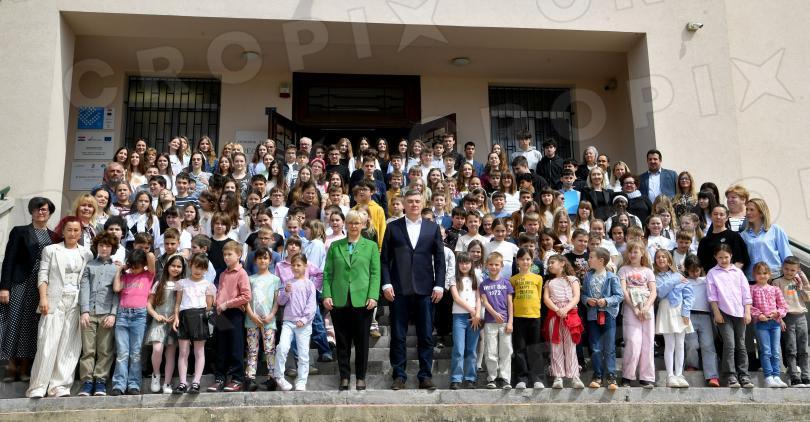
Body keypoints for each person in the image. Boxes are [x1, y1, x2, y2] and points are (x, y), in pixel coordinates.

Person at [381, 189, 446, 391]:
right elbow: (384, 259)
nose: (414, 204)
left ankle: (425, 376)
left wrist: (439, 284)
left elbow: (440, 259)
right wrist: (386, 283)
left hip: (425, 289)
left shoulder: (432, 228)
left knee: (426, 335)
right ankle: (399, 376)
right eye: (410, 201)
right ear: (404, 203)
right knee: (398, 336)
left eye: (417, 201)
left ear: (423, 202)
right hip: (399, 289)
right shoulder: (393, 227)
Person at [26, 217, 92, 398]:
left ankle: (59, 386)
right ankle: (38, 387)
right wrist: (43, 298)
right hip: (54, 300)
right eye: (69, 230)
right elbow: (43, 275)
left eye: (76, 230)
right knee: (47, 343)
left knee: (69, 346)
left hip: (76, 301)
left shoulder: (86, 253)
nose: (72, 233)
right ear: (62, 231)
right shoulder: (51, 250)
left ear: (81, 233)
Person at [322, 210, 381, 391]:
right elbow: (327, 273)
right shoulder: (335, 246)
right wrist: (327, 295)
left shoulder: (371, 246)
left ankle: (361, 377)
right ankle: (344, 377)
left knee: (362, 341)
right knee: (342, 341)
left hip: (362, 300)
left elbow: (375, 273)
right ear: (345, 225)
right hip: (339, 300)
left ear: (363, 225)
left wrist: (373, 296)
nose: (354, 226)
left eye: (357, 223)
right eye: (350, 223)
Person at [1, 197, 55, 383]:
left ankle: (24, 367)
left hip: (40, 287)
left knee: (31, 326)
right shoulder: (20, 231)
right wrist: (4, 287)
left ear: (49, 213)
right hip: (20, 283)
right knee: (13, 322)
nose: (41, 212)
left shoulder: (54, 236)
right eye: (37, 209)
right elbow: (9, 260)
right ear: (31, 212)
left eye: (44, 209)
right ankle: (10, 367)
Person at [77, 233, 120, 397]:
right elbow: (84, 288)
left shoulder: (116, 268)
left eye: (108, 246)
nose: (104, 248)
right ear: (96, 247)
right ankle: (87, 382)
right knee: (88, 350)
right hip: (90, 313)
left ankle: (100, 380)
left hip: (106, 314)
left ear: (112, 249)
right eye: (101, 245)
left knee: (105, 349)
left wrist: (113, 314)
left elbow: (117, 293)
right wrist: (84, 311)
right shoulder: (89, 266)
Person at [110, 247, 156, 396]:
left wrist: (139, 256)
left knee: (136, 353)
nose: (134, 270)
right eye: (133, 267)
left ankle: (134, 384)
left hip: (139, 316)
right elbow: (116, 288)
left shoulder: (148, 275)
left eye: (137, 267)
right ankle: (119, 384)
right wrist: (121, 270)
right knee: (122, 353)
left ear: (143, 265)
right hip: (123, 314)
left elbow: (151, 256)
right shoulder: (126, 276)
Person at [707, 244, 753, 388]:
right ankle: (730, 375)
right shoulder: (712, 273)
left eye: (726, 257)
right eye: (720, 257)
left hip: (739, 312)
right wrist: (716, 313)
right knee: (729, 344)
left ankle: (744, 375)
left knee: (741, 344)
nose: (723, 260)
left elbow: (746, 294)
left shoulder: (738, 272)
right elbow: (712, 296)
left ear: (731, 256)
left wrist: (747, 312)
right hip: (723, 313)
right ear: (715, 257)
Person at [209, 240, 251, 392]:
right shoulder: (222, 274)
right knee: (221, 347)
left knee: (235, 346)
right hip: (221, 313)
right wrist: (217, 304)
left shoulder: (242, 273)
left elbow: (246, 296)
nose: (226, 257)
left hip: (234, 313)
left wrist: (227, 304)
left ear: (239, 255)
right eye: (224, 254)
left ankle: (237, 378)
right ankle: (220, 378)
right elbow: (220, 292)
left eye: (229, 254)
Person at [171, 253, 216, 394]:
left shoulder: (208, 285)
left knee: (199, 351)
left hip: (200, 317)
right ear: (190, 265)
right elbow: (177, 303)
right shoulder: (182, 283)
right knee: (183, 352)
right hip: (184, 317)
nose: (198, 270)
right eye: (196, 267)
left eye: (202, 268)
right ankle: (183, 382)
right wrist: (176, 317)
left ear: (206, 269)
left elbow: (209, 306)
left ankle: (196, 382)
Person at [581, 247, 622, 390]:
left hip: (608, 315)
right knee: (595, 347)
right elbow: (583, 294)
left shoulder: (612, 277)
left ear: (601, 260)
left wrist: (606, 301)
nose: (588, 260)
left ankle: (611, 376)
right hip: (593, 316)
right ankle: (597, 375)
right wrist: (587, 300)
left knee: (609, 347)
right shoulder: (588, 276)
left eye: (591, 257)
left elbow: (619, 296)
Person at [274, 254, 317, 391]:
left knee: (303, 353)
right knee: (282, 347)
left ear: (305, 266)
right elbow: (281, 301)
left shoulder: (309, 284)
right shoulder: (288, 283)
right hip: (288, 322)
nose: (296, 267)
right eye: (293, 265)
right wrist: (286, 292)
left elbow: (312, 306)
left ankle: (302, 380)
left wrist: (304, 319)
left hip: (304, 324)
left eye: (299, 265)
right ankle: (279, 376)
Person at [618, 241, 657, 388]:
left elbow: (653, 291)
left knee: (648, 342)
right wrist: (634, 308)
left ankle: (646, 377)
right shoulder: (623, 270)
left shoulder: (648, 271)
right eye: (630, 252)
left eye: (636, 252)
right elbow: (623, 291)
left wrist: (646, 307)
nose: (633, 254)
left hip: (647, 307)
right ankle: (627, 375)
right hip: (631, 307)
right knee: (633, 342)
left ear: (642, 253)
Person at [653, 249, 693, 388]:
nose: (661, 259)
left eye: (664, 257)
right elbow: (661, 291)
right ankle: (670, 375)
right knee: (669, 344)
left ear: (669, 259)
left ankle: (679, 374)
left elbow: (689, 294)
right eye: (658, 257)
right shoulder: (655, 276)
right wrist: (675, 280)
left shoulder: (678, 274)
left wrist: (686, 312)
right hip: (666, 309)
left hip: (680, 310)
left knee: (680, 344)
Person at [544, 254, 584, 389]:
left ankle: (575, 377)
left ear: (562, 263)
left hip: (570, 315)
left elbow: (576, 296)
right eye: (548, 263)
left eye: (552, 262)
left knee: (570, 346)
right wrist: (557, 310)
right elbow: (546, 299)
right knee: (556, 346)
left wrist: (566, 309)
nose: (549, 265)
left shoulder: (573, 279)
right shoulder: (549, 282)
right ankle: (558, 376)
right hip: (554, 316)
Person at [145, 254, 183, 394]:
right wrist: (156, 315)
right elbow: (149, 304)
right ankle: (156, 374)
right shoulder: (159, 283)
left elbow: (183, 304)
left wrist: (177, 316)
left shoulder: (182, 285)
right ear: (167, 266)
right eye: (173, 265)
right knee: (157, 349)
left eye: (179, 266)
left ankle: (167, 382)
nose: (175, 269)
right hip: (159, 321)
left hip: (174, 322)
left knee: (170, 353)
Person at [244, 247, 281, 392]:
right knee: (252, 349)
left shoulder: (275, 280)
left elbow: (277, 301)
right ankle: (250, 378)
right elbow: (246, 300)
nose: (262, 261)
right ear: (255, 260)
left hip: (269, 320)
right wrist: (252, 315)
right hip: (252, 320)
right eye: (259, 258)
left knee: (270, 349)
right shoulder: (250, 279)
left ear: (270, 260)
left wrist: (271, 315)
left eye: (265, 258)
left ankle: (272, 378)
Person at [682, 255, 720, 387]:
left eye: (697, 270)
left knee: (708, 345)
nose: (695, 273)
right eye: (691, 271)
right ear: (687, 270)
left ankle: (712, 375)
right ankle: (692, 365)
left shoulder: (706, 280)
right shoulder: (684, 282)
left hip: (705, 315)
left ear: (701, 269)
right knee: (691, 344)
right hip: (689, 315)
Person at [772, 256, 810, 387]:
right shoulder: (777, 282)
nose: (789, 272)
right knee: (791, 348)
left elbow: (807, 298)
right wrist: (780, 319)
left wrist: (801, 287)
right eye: (786, 269)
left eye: (793, 270)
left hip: (801, 317)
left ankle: (806, 376)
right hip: (787, 316)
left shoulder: (799, 282)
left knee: (803, 349)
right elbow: (775, 303)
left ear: (798, 270)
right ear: (782, 268)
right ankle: (794, 377)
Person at [509, 248, 544, 390]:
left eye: (528, 259)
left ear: (532, 261)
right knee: (520, 349)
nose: (525, 262)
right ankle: (521, 378)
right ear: (517, 261)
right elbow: (511, 299)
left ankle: (537, 378)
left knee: (534, 349)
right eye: (522, 259)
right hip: (518, 317)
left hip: (534, 316)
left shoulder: (538, 278)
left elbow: (539, 296)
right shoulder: (513, 279)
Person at [749, 262, 788, 388]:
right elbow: (749, 306)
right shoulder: (752, 289)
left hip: (775, 323)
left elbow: (783, 306)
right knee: (766, 350)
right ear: (754, 275)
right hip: (761, 324)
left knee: (775, 350)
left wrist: (778, 313)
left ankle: (777, 376)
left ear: (769, 274)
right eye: (759, 273)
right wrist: (758, 314)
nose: (762, 276)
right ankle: (768, 376)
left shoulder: (775, 289)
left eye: (765, 273)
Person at [479, 252, 514, 390]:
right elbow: (485, 302)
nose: (494, 267)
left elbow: (510, 304)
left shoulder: (506, 283)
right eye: (491, 264)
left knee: (506, 350)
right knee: (491, 351)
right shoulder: (484, 284)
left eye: (496, 264)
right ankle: (492, 377)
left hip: (505, 322)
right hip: (490, 321)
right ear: (486, 266)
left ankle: (505, 378)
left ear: (501, 266)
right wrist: (494, 313)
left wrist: (510, 322)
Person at [740, 198, 792, 281]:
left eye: (752, 210)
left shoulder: (775, 229)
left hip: (774, 277)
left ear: (761, 213)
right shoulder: (743, 235)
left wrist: (794, 274)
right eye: (747, 209)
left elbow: (786, 254)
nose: (748, 212)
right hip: (752, 278)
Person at [697, 205, 750, 275]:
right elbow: (700, 264)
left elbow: (740, 261)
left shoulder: (734, 236)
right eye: (715, 214)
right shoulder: (704, 241)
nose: (718, 217)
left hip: (730, 277)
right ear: (711, 216)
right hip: (711, 278)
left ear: (727, 218)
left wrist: (729, 276)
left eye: (721, 214)